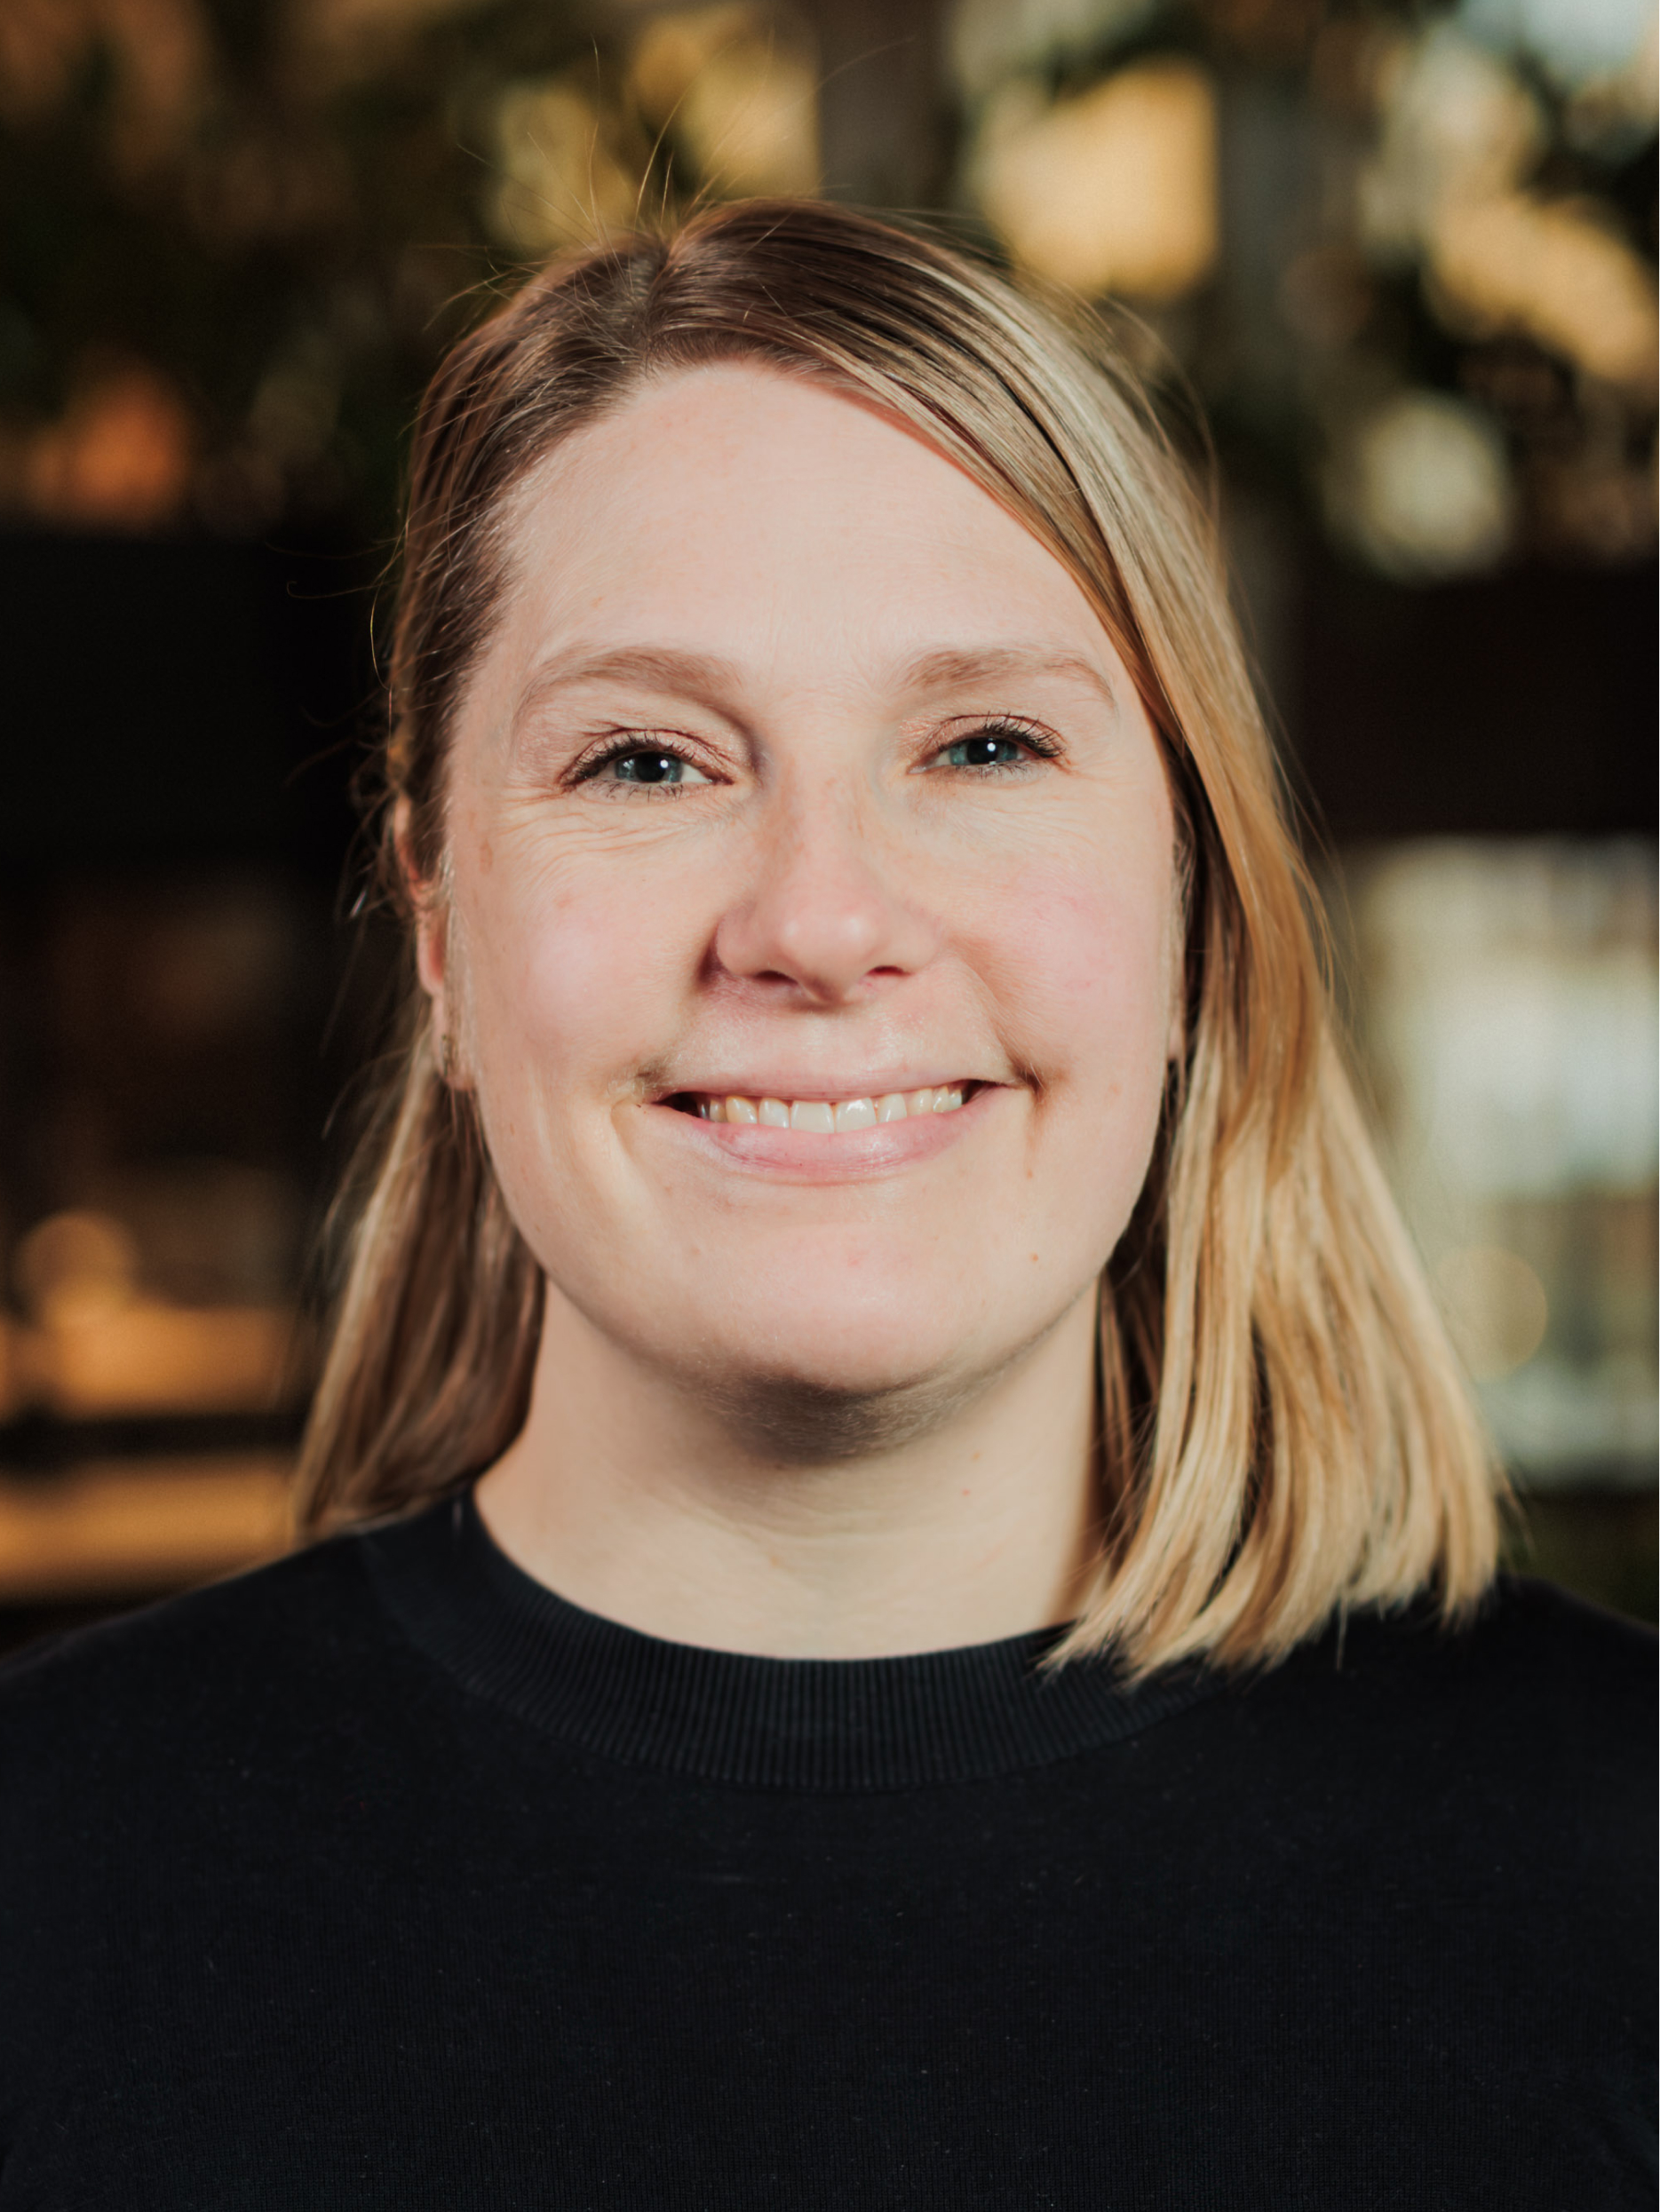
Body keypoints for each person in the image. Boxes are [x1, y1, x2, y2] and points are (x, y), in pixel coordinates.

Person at [1, 200, 1650, 2208]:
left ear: (1192, 907)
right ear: (435, 921)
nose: (817, 920)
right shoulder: (46, 1887)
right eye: (645, 762)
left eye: (982, 743)